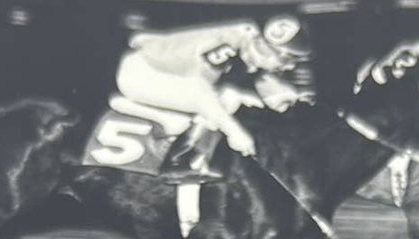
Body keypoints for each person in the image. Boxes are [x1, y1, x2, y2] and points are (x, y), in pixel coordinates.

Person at [115, 16, 309, 165]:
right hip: (144, 72)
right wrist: (236, 133)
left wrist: (289, 99)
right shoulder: (227, 45)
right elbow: (200, 93)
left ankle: (191, 145)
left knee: (234, 96)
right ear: (265, 49)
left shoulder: (247, 41)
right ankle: (183, 157)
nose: (289, 67)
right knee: (216, 104)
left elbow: (264, 80)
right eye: (287, 59)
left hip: (173, 72)